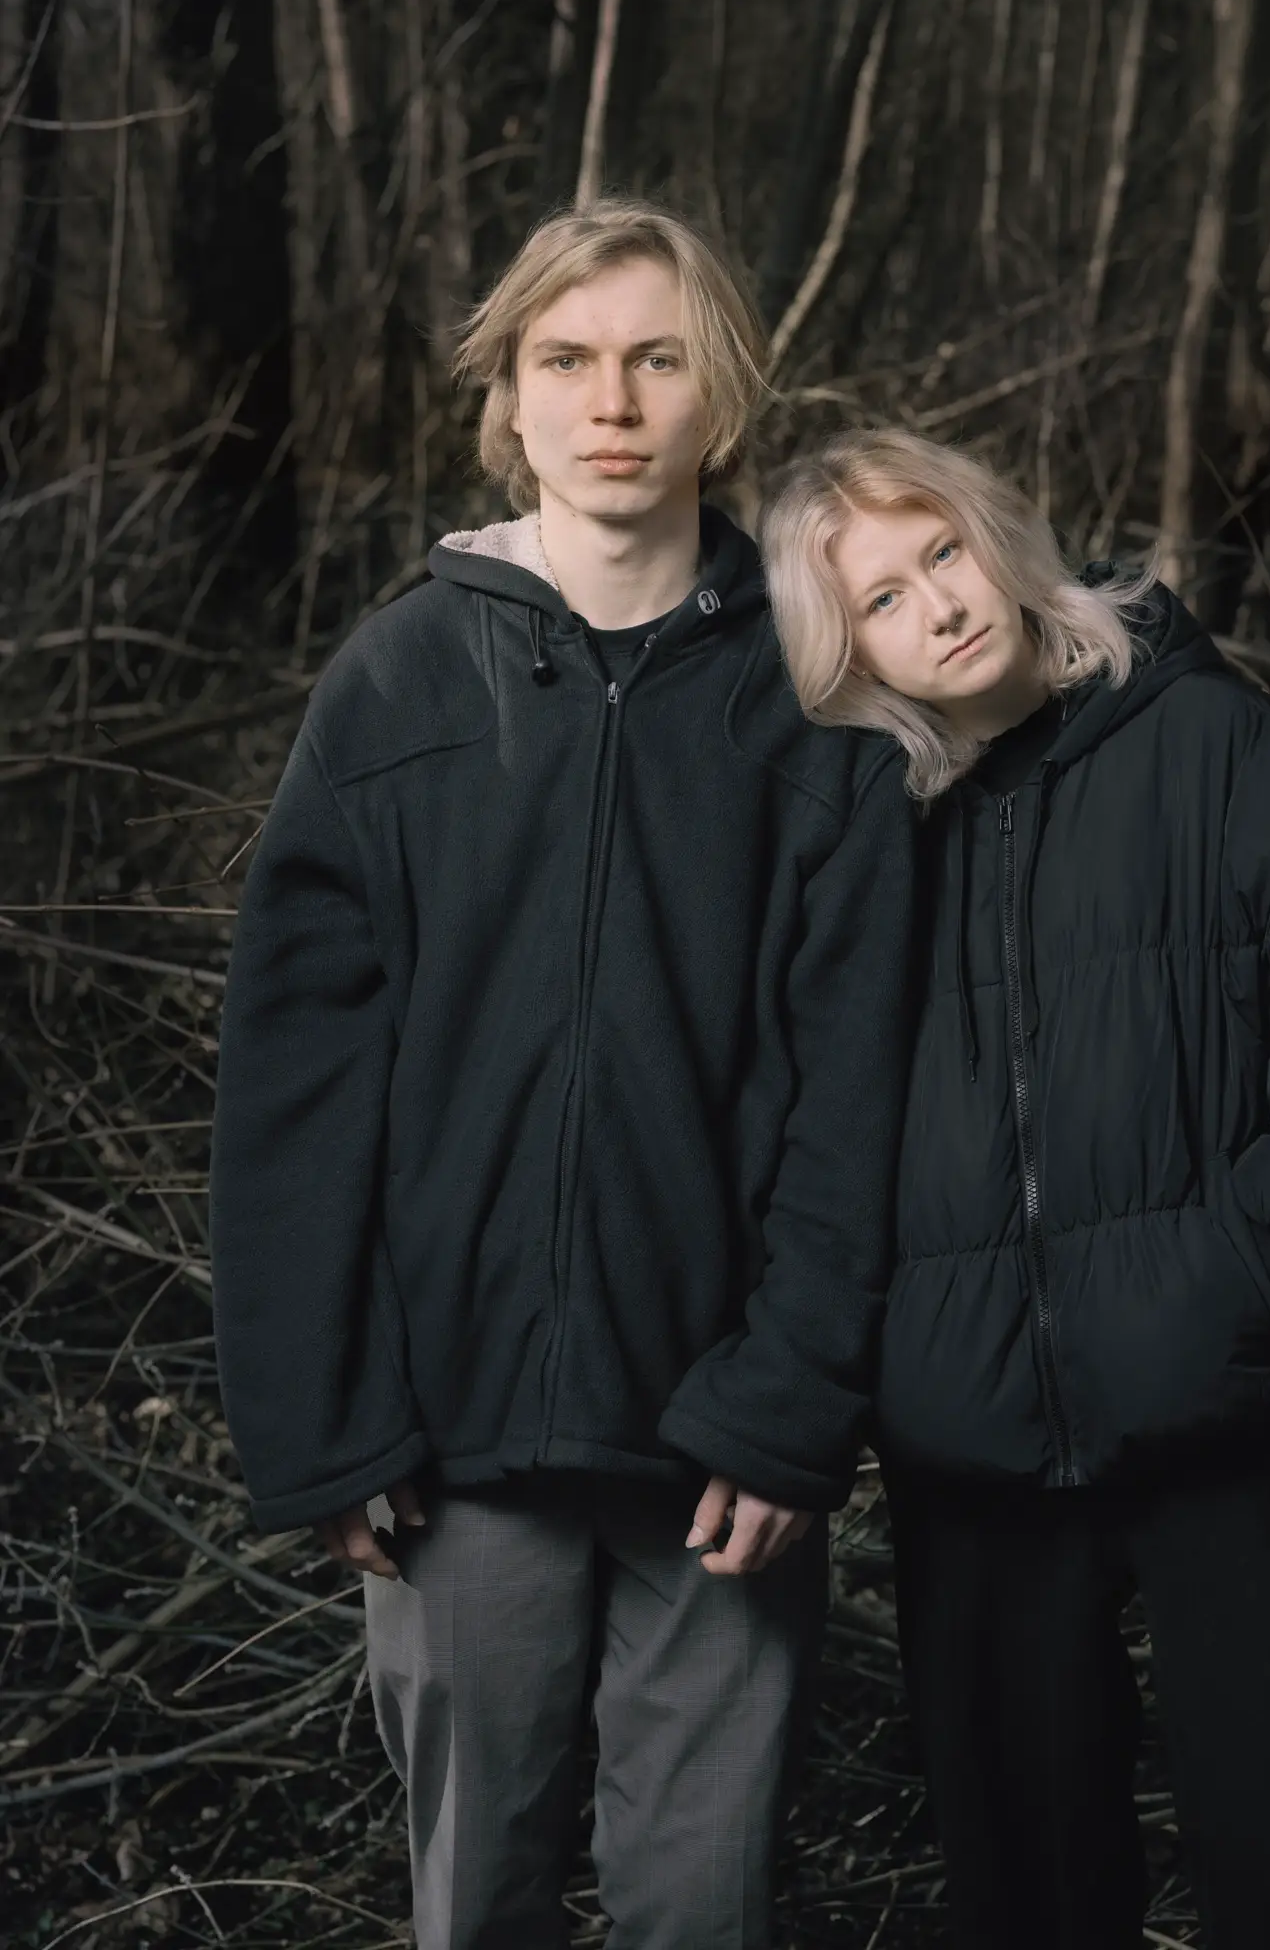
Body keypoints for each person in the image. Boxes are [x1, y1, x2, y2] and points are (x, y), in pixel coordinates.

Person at [209, 206, 916, 1950]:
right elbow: (295, 1091)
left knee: (701, 1904)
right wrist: (326, 1421)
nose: (613, 402)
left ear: (719, 396)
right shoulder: (395, 687)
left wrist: (791, 1403)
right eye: (568, 360)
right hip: (452, 1440)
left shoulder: (812, 699)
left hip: (718, 1436)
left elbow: (859, 1093)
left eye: (658, 359)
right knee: (480, 1898)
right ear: (508, 398)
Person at [760, 427, 1270, 1950]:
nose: (939, 606)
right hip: (975, 1460)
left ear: (1000, 538)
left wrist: (1237, 1291)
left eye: (943, 551)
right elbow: (797, 1128)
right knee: (1024, 1898)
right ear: (846, 652)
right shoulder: (864, 842)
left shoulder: (1226, 751)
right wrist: (899, 1356)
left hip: (1248, 1419)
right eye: (881, 597)